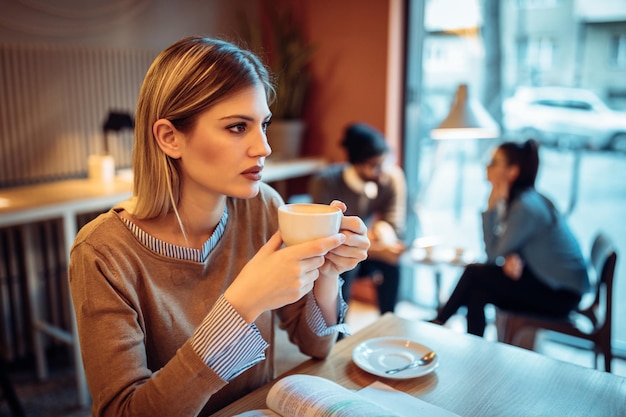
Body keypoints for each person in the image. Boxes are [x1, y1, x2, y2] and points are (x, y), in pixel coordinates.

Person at [68, 36, 369, 417]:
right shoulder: (103, 253)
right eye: (237, 127)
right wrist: (242, 304)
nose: (264, 147)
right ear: (170, 137)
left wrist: (327, 271)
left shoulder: (263, 208)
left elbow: (316, 346)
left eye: (264, 124)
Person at [430, 139, 590, 336]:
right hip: (552, 284)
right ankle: (467, 343)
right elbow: (511, 246)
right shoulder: (526, 199)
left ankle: (439, 323)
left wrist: (490, 208)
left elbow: (491, 254)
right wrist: (511, 254)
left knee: (474, 273)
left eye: (494, 162)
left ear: (513, 171)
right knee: (477, 291)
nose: (487, 166)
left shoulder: (524, 207)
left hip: (560, 295)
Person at [308, 123, 407, 314]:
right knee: (343, 264)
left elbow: (395, 223)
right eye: (375, 166)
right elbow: (328, 238)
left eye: (385, 162)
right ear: (356, 164)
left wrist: (384, 235)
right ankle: (338, 332)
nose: (383, 171)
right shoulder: (325, 183)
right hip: (336, 254)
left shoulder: (391, 178)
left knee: (392, 264)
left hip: (367, 249)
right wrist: (377, 249)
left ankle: (388, 319)